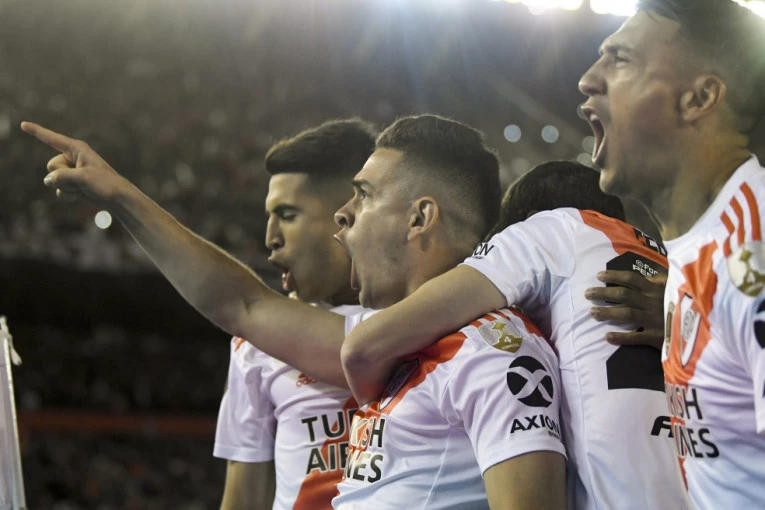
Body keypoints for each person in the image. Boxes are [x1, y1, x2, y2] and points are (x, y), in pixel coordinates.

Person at [23, 114, 566, 508]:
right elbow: (243, 304)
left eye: (364, 195)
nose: (344, 216)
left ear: (420, 218)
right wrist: (121, 196)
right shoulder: (387, 339)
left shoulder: (493, 350)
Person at [341, 161, 690, 510]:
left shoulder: (554, 227)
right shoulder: (670, 268)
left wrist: (380, 408)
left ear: (527, 222)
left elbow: (365, 345)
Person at [577, 0, 765, 506]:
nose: (588, 80)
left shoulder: (751, 252)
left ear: (698, 98)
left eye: (620, 59)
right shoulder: (701, 248)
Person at [214, 119, 376, 509]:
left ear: (349, 214)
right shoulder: (257, 343)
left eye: (287, 215)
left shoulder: (435, 322)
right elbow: (242, 500)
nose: (270, 238)